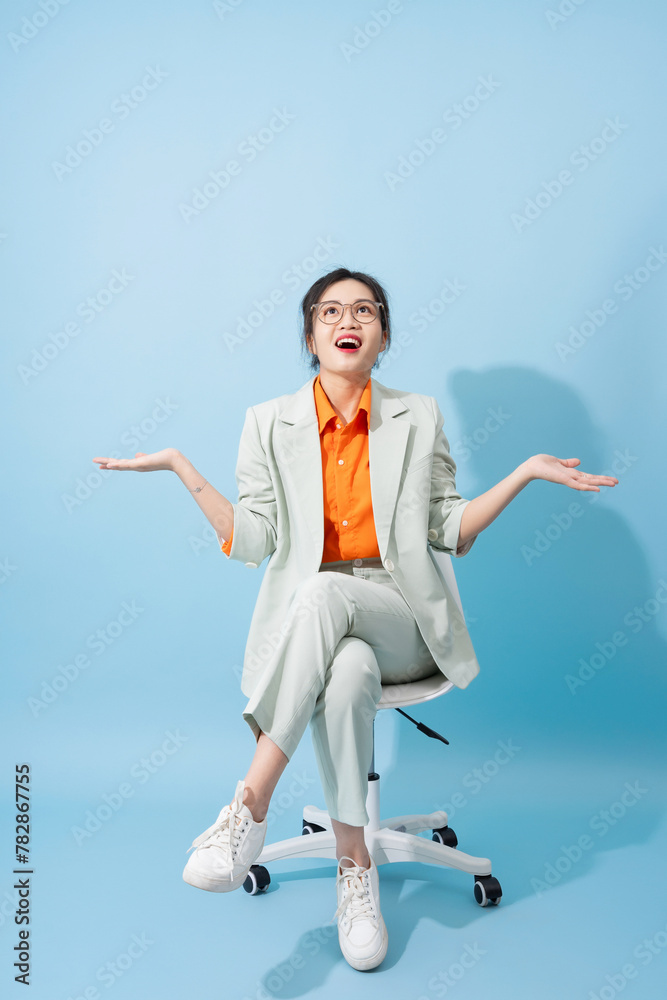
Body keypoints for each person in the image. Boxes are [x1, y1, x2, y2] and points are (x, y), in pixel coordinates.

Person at [93, 266, 618, 972]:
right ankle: (354, 871)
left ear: (383, 335)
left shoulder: (417, 416)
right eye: (331, 310)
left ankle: (247, 807)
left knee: (324, 597)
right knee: (344, 672)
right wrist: (181, 468)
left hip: (402, 617)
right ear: (310, 335)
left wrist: (521, 473)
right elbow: (252, 541)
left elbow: (450, 530)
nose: (349, 319)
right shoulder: (266, 423)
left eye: (365, 310)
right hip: (321, 637)